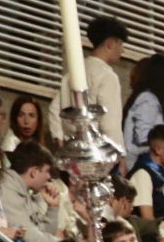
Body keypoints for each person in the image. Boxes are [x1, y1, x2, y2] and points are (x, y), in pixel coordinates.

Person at [51, 16, 129, 150]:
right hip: (97, 151)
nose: (122, 50)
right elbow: (110, 125)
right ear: (110, 43)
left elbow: (54, 109)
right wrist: (119, 153)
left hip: (72, 149)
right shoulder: (107, 76)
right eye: (120, 44)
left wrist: (59, 138)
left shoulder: (72, 74)